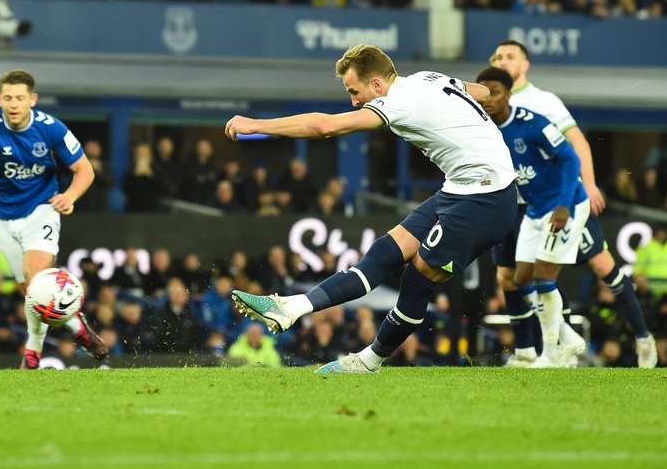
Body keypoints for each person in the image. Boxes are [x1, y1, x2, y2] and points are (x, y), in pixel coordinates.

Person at [225, 45, 517, 374]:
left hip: (487, 198)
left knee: (418, 277)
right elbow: (479, 90)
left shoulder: (398, 102)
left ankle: (370, 361)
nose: (353, 101)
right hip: (460, 188)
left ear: (377, 85)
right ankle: (290, 308)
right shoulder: (427, 78)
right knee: (384, 252)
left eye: (355, 91)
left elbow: (325, 127)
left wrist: (257, 125)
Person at [490, 40, 656, 368]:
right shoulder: (489, 104)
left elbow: (575, 142)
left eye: (510, 56)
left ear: (525, 65)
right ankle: (529, 349)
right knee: (509, 277)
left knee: (601, 267)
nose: (502, 60)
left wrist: (590, 184)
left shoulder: (542, 101)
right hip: (518, 202)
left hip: (560, 198)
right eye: (497, 57)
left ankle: (642, 337)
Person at [0, 69, 106, 369]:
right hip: (1, 217)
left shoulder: (50, 128)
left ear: (33, 100)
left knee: (37, 279)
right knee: (30, 289)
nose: (14, 104)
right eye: (8, 98)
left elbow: (85, 170)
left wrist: (70, 196)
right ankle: (77, 326)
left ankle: (32, 352)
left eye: (20, 98)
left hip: (42, 209)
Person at [477, 67, 590, 367]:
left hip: (566, 206)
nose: (488, 100)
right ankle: (568, 337)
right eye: (483, 93)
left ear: (508, 95)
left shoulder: (532, 123)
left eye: (495, 93)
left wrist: (564, 205)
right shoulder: (482, 129)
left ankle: (551, 354)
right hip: (535, 208)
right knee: (520, 278)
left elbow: (570, 158)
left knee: (543, 276)